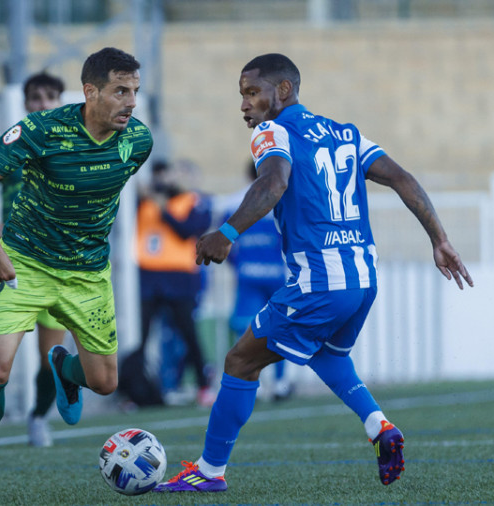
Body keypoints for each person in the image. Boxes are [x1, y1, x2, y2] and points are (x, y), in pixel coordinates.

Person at [154, 53, 472, 493]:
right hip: (363, 280)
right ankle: (378, 425)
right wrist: (439, 239)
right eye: (241, 96)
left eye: (251, 93)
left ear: (282, 91)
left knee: (239, 362)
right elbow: (402, 178)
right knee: (328, 352)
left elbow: (274, 182)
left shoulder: (273, 130)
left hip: (319, 281)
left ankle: (209, 471)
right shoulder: (346, 133)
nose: (245, 106)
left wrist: (226, 233)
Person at [0, 47, 152, 500]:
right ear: (90, 91)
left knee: (105, 383)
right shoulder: (42, 129)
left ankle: (63, 367)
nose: (131, 101)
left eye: (135, 91)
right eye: (121, 91)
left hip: (87, 277)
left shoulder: (138, 141)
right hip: (24, 266)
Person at [0, 70, 72, 448]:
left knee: (51, 356)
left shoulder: (70, 147)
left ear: (60, 102)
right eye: (35, 98)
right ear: (24, 104)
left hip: (56, 265)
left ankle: (38, 416)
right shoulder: (11, 146)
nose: (42, 104)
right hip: (15, 266)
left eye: (50, 97)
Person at [134, 159, 214, 407]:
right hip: (147, 275)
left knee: (188, 334)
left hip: (179, 277)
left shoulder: (193, 202)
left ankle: (203, 385)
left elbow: (187, 230)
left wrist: (164, 209)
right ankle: (136, 390)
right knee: (141, 335)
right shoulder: (145, 202)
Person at [224, 161, 290, 401]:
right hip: (275, 274)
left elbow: (226, 244)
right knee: (279, 326)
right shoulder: (281, 200)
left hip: (248, 274)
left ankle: (252, 380)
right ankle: (281, 382)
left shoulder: (233, 202)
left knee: (246, 326)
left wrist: (238, 265)